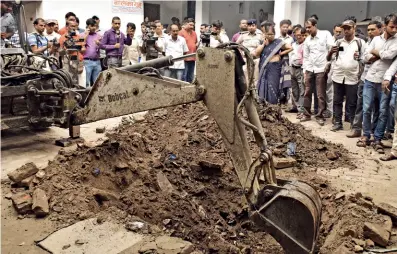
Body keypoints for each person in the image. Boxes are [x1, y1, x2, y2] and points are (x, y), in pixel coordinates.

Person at [358, 13, 397, 152]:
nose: (394, 29)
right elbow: (366, 56)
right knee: (367, 108)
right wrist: (377, 54)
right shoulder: (375, 39)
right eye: (392, 26)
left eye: (396, 27)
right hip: (370, 78)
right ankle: (366, 135)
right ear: (385, 26)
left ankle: (378, 138)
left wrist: (376, 53)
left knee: (382, 111)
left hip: (385, 81)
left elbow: (390, 56)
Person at [327, 19, 366, 132]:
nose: (346, 30)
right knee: (337, 101)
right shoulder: (339, 43)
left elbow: (365, 59)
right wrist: (330, 52)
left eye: (349, 28)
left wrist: (359, 58)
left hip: (352, 77)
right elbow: (329, 58)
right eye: (345, 28)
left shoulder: (360, 43)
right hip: (338, 76)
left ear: (354, 28)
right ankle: (338, 123)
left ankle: (353, 125)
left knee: (352, 102)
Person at [347, 21, 382, 138]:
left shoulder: (384, 43)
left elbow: (385, 56)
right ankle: (357, 128)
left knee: (378, 107)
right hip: (365, 77)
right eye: (369, 30)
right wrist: (368, 57)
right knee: (361, 105)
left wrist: (373, 56)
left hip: (380, 79)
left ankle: (374, 131)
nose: (370, 32)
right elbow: (364, 59)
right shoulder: (367, 43)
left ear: (381, 29)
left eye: (373, 29)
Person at [301, 18, 333, 125]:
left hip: (321, 69)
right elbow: (305, 56)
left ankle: (320, 115)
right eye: (306, 28)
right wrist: (305, 71)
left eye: (309, 27)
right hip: (310, 68)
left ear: (315, 25)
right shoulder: (307, 40)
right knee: (307, 92)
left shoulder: (325, 34)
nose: (308, 29)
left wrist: (328, 64)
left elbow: (331, 49)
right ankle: (306, 114)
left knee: (320, 94)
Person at [255, 21, 292, 104]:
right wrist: (263, 45)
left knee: (273, 86)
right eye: (267, 34)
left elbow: (290, 48)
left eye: (272, 34)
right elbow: (256, 53)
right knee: (263, 85)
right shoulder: (262, 42)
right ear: (264, 34)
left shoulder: (278, 42)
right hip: (264, 67)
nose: (270, 36)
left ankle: (273, 105)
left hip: (274, 68)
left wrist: (280, 54)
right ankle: (263, 105)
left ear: (274, 34)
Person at [290, 27, 306, 117]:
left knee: (302, 90)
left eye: (300, 35)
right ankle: (297, 106)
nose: (299, 37)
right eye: (297, 35)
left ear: (304, 35)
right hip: (292, 68)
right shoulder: (293, 44)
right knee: (294, 89)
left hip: (301, 69)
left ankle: (301, 109)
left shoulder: (306, 44)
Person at [82, 18, 102, 87]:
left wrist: (99, 43)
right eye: (92, 26)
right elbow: (81, 45)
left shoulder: (98, 35)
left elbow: (103, 47)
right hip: (87, 61)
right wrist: (86, 35)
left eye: (95, 26)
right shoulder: (82, 35)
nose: (94, 28)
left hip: (97, 62)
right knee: (86, 82)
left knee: (97, 83)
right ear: (87, 26)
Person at [179, 18, 197, 83]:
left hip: (192, 57)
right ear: (186, 24)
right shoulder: (181, 33)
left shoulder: (194, 33)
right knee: (184, 75)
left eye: (193, 25)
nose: (192, 27)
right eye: (190, 25)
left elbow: (195, 43)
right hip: (184, 57)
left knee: (191, 76)